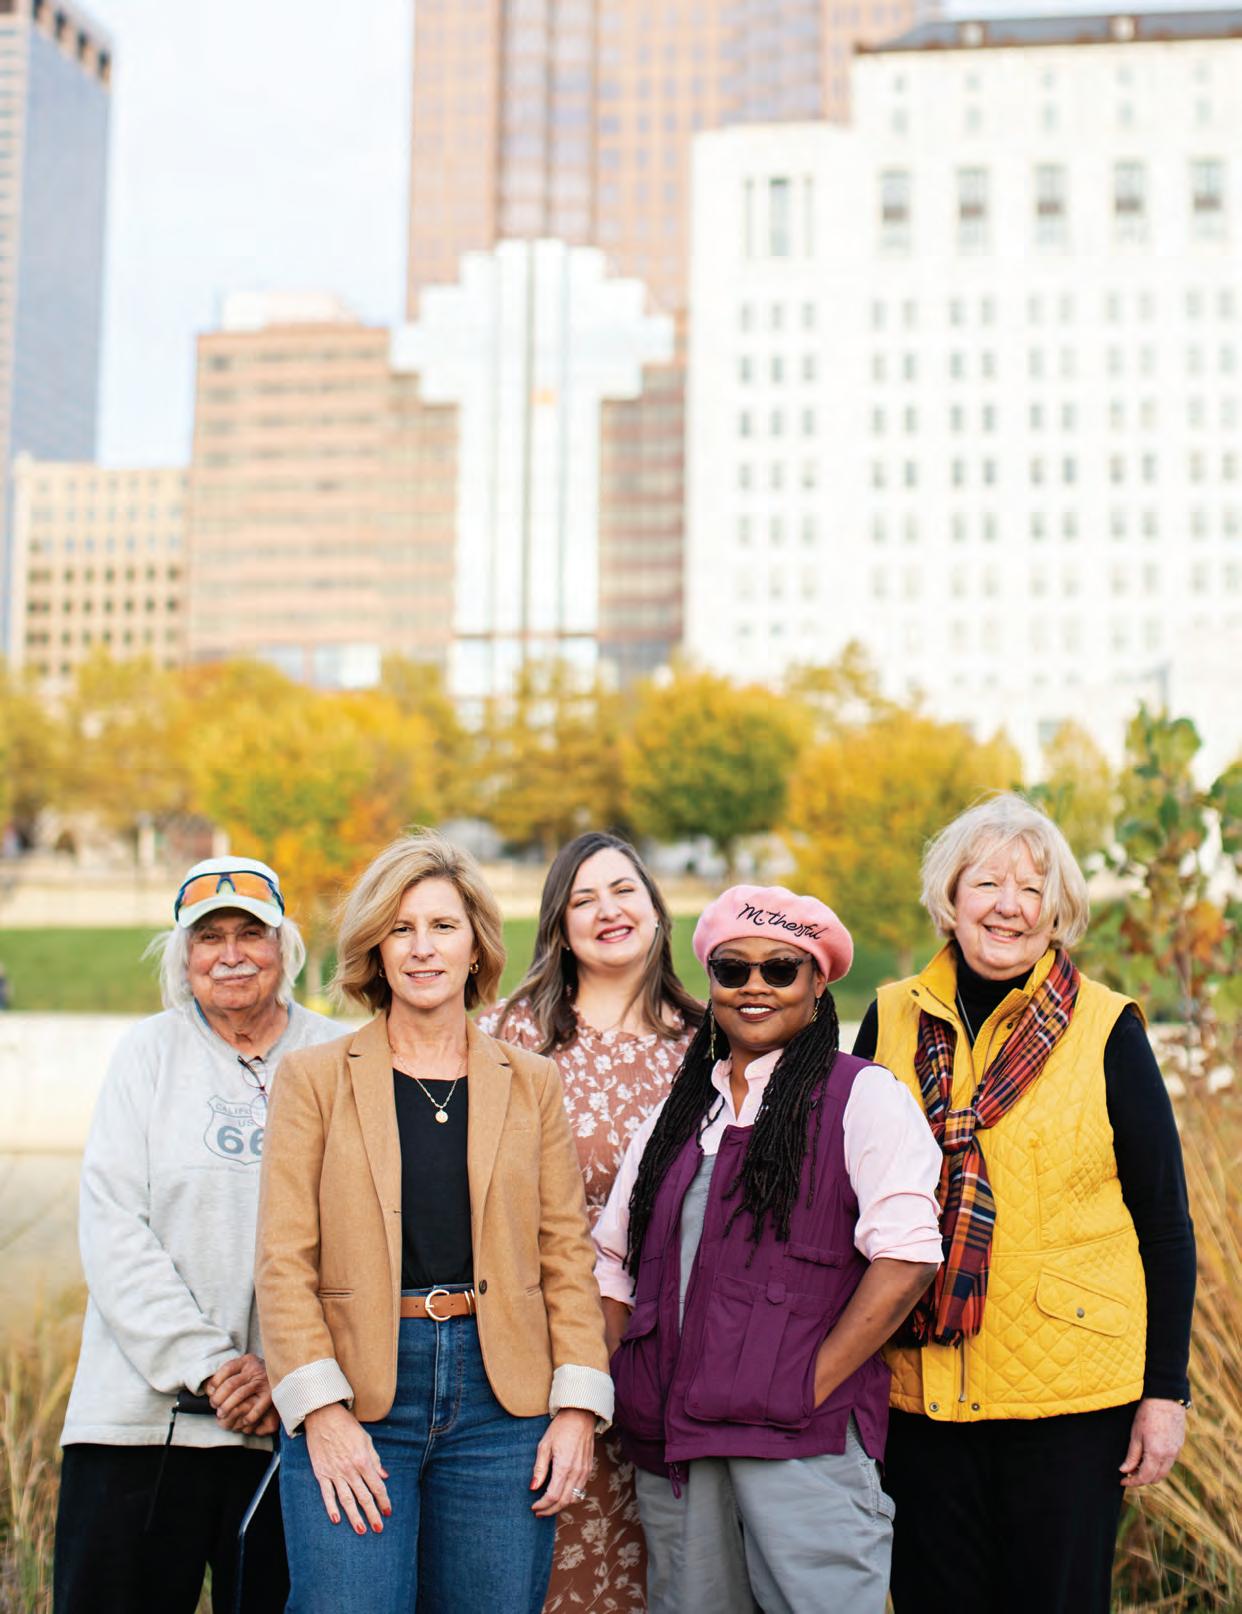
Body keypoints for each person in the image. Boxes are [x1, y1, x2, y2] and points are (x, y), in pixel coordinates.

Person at [852, 792, 1197, 1614]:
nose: (1009, 905)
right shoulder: (890, 1017)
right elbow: (843, 1203)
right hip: (919, 1395)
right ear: (951, 896)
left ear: (1057, 911)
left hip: (1070, 1405)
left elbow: (1165, 1225)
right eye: (987, 883)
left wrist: (1165, 1392)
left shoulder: (1108, 1029)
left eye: (1032, 889)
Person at [254, 830, 613, 1614]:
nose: (422, 948)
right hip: (358, 1391)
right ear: (375, 950)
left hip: (502, 1406)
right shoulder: (313, 1079)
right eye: (401, 928)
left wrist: (579, 1404)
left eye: (443, 926)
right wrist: (321, 1411)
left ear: (476, 946)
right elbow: (283, 1261)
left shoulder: (532, 1083)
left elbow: (565, 1253)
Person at [594, 884, 943, 1614]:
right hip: (675, 1451)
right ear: (712, 983)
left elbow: (908, 1259)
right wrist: (635, 1379)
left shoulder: (864, 1097)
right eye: (733, 969)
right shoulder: (677, 1115)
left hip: (803, 1448)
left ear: (818, 985)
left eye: (781, 969)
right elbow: (613, 1266)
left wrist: (804, 1386)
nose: (755, 986)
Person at [55, 856, 339, 1614]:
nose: (232, 954)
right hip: (140, 1427)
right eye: (209, 937)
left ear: (284, 946)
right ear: (184, 956)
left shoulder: (338, 1055)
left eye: (252, 933)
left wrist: (289, 1372)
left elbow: (368, 1239)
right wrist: (211, 1367)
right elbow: (114, 1228)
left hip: (295, 1426)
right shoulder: (147, 1054)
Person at [480, 830, 701, 1612]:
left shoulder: (711, 1042)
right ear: (559, 926)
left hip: (673, 1352)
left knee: (665, 1571)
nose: (608, 910)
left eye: (623, 890)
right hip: (538, 1348)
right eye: (584, 899)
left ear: (656, 908)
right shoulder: (509, 1038)